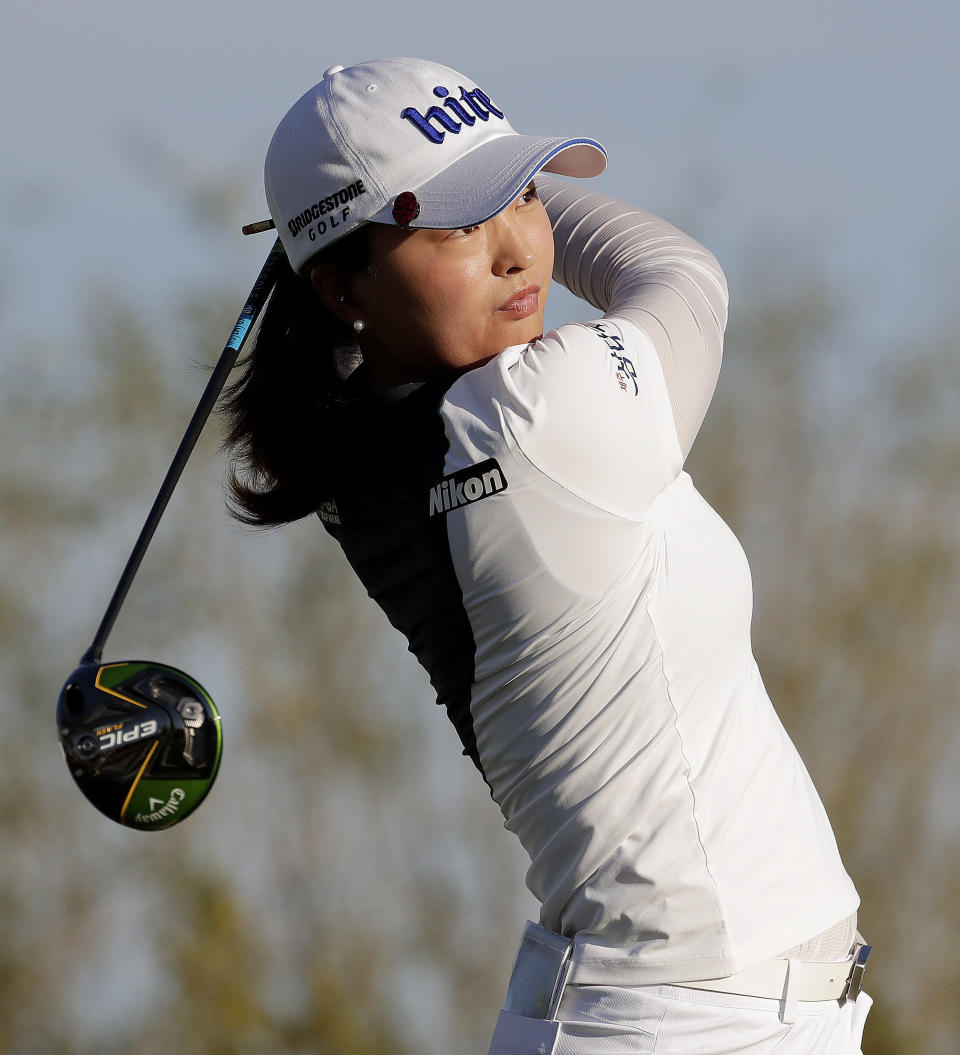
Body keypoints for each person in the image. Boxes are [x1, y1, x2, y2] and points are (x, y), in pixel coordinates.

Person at [224, 57, 872, 1054]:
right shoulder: (536, 415)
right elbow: (687, 281)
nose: (518, 249)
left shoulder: (370, 443)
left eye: (522, 197)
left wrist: (434, 194)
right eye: (454, 225)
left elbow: (362, 333)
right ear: (343, 285)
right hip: (686, 1019)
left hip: (679, 1010)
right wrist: (504, 176)